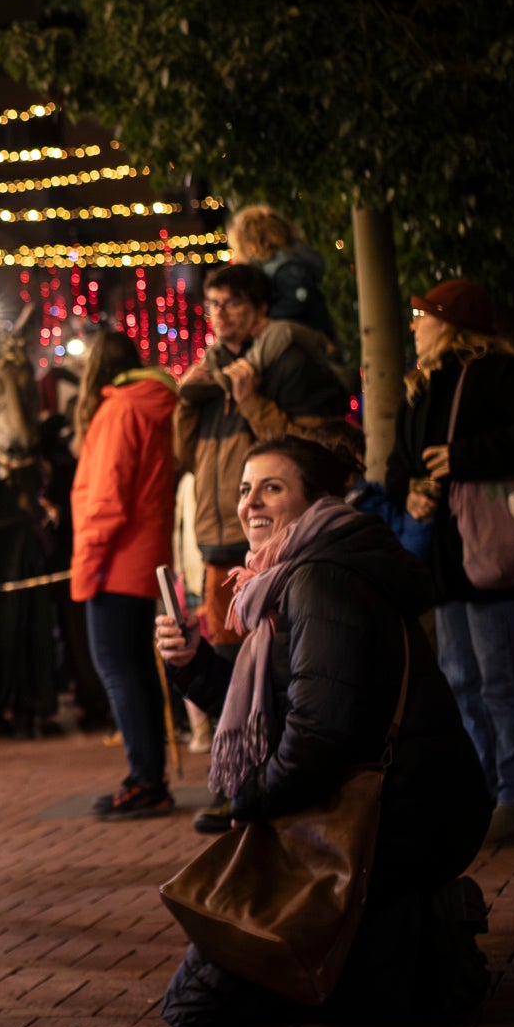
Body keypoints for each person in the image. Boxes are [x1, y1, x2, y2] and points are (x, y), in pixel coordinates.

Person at [155, 437, 492, 1027]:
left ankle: (422, 929)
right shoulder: (301, 571)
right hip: (383, 803)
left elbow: (317, 734)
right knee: (270, 973)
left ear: (316, 502)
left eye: (272, 488)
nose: (250, 503)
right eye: (245, 489)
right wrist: (193, 664)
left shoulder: (320, 580)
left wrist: (250, 802)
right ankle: (407, 929)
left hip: (390, 815)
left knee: (199, 1003)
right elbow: (285, 704)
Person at [387, 279, 514, 846]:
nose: (414, 325)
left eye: (423, 315)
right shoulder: (419, 386)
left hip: (491, 554)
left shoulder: (496, 372)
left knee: (502, 681)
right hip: (445, 559)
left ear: (451, 323)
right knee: (463, 682)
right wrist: (410, 492)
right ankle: (483, 794)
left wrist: (465, 457)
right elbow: (398, 465)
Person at [173, 264, 352, 834]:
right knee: (229, 664)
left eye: (231, 303)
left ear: (260, 310)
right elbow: (186, 455)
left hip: (271, 543)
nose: (219, 314)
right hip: (218, 540)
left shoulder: (284, 363)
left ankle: (259, 785)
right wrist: (189, 399)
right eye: (212, 304)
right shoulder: (211, 374)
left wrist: (250, 400)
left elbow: (309, 453)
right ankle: (235, 782)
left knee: (269, 667)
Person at [69, 330, 180, 819]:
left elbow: (106, 500)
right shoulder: (149, 405)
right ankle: (149, 777)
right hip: (142, 554)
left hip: (116, 559)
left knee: (118, 669)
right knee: (135, 668)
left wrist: (87, 564)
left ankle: (145, 780)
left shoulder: (119, 410)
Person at [226, 204, 338, 341]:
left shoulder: (283, 266)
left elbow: (298, 299)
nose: (236, 255)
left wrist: (269, 320)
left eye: (235, 248)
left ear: (250, 245)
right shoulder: (288, 258)